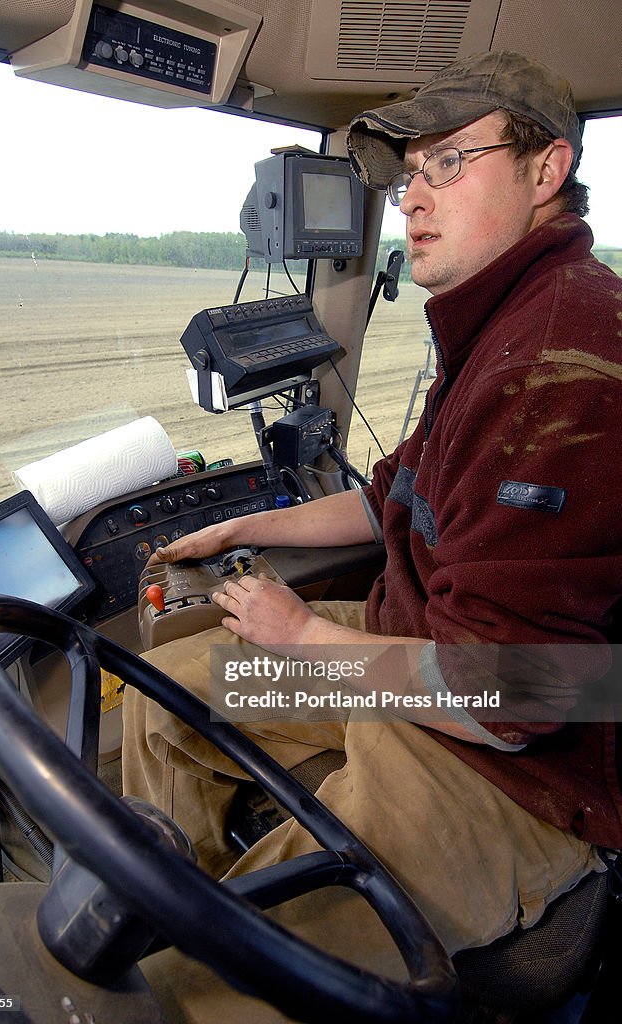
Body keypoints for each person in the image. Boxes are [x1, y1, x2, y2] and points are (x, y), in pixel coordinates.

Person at [122, 50, 622, 1020]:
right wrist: (241, 523)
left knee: (193, 992)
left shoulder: (560, 368)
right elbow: (389, 494)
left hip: (508, 780)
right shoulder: (504, 327)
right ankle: (178, 895)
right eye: (407, 173)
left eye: (448, 164)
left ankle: (208, 951)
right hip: (407, 666)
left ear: (545, 171)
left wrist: (305, 639)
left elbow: (517, 693)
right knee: (162, 698)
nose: (410, 199)